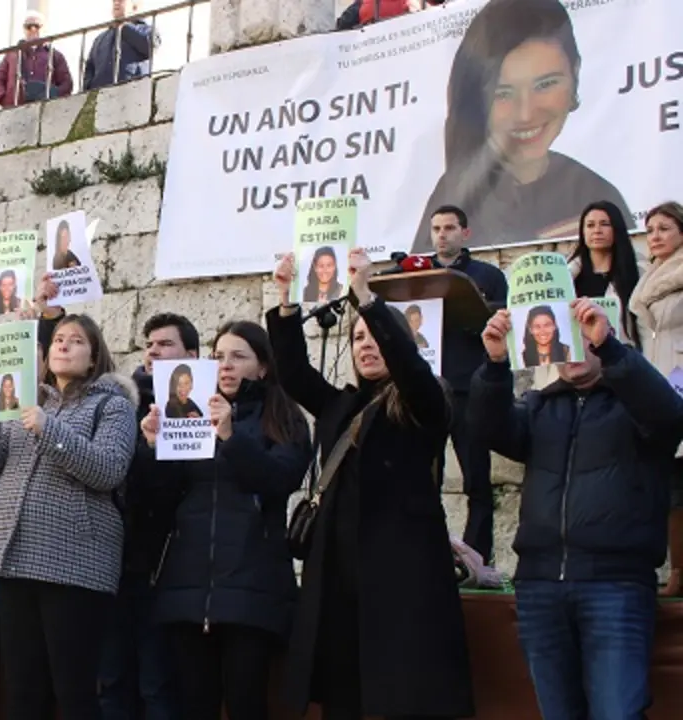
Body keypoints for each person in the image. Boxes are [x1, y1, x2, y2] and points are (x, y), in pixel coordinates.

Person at [268, 250, 474, 720]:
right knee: (344, 696)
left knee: (403, 696)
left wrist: (366, 299)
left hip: (400, 578)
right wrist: (284, 301)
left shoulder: (424, 404)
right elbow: (295, 374)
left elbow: (412, 370)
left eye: (374, 337)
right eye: (357, 337)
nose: (365, 345)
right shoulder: (342, 406)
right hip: (339, 577)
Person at [471, 298, 683, 719]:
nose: (570, 348)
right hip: (540, 587)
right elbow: (486, 428)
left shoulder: (636, 404)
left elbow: (669, 418)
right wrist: (494, 365)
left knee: (616, 712)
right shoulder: (539, 405)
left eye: (581, 337)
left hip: (614, 586)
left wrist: (612, 349)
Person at [0, 311, 138, 720]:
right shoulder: (28, 402)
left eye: (76, 340)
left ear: (94, 354)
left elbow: (108, 470)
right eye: (59, 339)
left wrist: (50, 429)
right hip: (17, 562)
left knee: (74, 690)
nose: (64, 344)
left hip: (76, 567)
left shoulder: (112, 406)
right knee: (24, 690)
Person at [142, 321, 312, 720]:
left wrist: (232, 437)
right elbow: (160, 495)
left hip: (252, 588)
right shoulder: (187, 411)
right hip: (188, 585)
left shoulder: (283, 417)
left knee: (247, 703)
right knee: (194, 704)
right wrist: (151, 447)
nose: (226, 366)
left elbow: (279, 479)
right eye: (219, 356)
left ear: (264, 367)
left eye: (239, 356)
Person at [412, 0, 632, 250]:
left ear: (575, 73)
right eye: (503, 93)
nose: (526, 113)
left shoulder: (596, 193)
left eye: (545, 84)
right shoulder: (455, 194)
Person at [97, 313, 197, 720]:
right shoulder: (121, 404)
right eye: (149, 344)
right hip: (117, 565)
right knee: (113, 679)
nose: (154, 351)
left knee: (157, 683)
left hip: (169, 569)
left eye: (165, 344)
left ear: (192, 355)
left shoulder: (202, 408)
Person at [423, 205, 508, 563]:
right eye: (436, 229)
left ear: (465, 233)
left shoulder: (486, 275)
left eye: (449, 228)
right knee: (425, 481)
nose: (442, 235)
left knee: (477, 478)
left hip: (468, 390)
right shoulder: (416, 274)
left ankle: (478, 558)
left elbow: (501, 318)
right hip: (426, 391)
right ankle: (429, 554)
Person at [627, 200, 683, 596]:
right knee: (669, 482)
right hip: (660, 375)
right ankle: (676, 569)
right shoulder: (648, 278)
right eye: (651, 230)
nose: (656, 236)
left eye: (664, 228)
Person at [568, 200, 643, 346]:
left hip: (620, 357)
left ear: (617, 228)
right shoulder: (566, 276)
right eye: (590, 225)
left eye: (605, 224)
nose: (597, 230)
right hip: (577, 361)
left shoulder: (637, 273)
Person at [0, 11, 73, 108]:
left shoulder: (55, 55)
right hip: (14, 107)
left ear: (44, 29)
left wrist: (53, 95)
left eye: (37, 26)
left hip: (46, 107)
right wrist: (2, 98)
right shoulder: (12, 55)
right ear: (24, 29)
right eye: (28, 26)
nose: (33, 29)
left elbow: (66, 82)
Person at [84, 0, 158, 91]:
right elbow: (90, 67)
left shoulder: (145, 30)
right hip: (100, 95)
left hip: (132, 92)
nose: (116, 3)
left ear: (134, 6)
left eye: (121, 1)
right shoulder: (100, 38)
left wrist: (124, 27)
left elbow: (151, 46)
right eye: (114, 1)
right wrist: (89, 87)